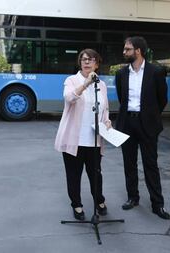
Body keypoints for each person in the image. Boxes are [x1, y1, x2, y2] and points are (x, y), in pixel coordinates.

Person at [115, 36, 170, 220]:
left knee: (151, 165)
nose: (124, 52)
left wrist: (150, 116)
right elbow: (122, 99)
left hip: (147, 124)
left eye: (127, 49)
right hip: (127, 124)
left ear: (138, 51)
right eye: (125, 49)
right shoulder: (121, 73)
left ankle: (158, 204)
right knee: (129, 164)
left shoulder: (156, 72)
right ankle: (133, 198)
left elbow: (162, 99)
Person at [55, 49, 112, 221]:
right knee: (74, 175)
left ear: (97, 63)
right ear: (80, 62)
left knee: (96, 174)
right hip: (75, 139)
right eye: (84, 59)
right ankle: (77, 205)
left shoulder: (101, 85)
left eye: (91, 59)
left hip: (94, 139)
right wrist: (86, 83)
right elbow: (69, 98)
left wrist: (107, 121)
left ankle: (99, 200)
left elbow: (105, 108)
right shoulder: (72, 80)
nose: (87, 62)